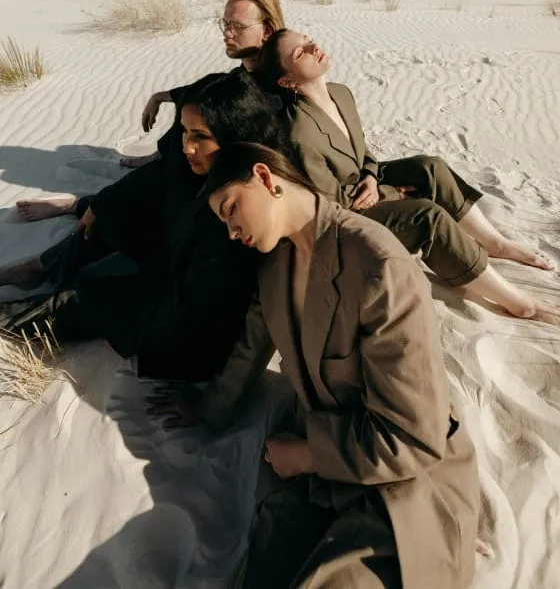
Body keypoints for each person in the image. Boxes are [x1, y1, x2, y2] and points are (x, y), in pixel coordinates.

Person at [150, 142, 480, 589]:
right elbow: (250, 350)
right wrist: (208, 408)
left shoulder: (377, 264)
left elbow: (413, 438)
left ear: (265, 178)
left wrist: (306, 455)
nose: (231, 231)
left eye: (231, 209)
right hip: (320, 483)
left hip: (405, 486)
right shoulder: (275, 269)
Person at [255, 29, 560, 325]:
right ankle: (519, 304)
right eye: (300, 52)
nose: (313, 47)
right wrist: (390, 193)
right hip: (348, 215)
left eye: (308, 40)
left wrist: (373, 177)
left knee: (430, 167)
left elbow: (362, 151)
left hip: (364, 184)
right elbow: (331, 203)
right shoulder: (298, 132)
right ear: (287, 80)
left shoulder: (340, 93)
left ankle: (495, 243)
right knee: (427, 216)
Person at [1, 76, 289, 381]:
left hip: (177, 316)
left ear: (237, 138)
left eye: (200, 136)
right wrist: (98, 206)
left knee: (87, 300)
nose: (187, 147)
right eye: (184, 131)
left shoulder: (240, 213)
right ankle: (42, 267)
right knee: (112, 213)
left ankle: (9, 318)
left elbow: (200, 316)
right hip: (172, 255)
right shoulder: (195, 163)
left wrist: (131, 305)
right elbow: (153, 178)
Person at [14, 0, 286, 222]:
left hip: (215, 179)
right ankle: (146, 165)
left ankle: (82, 205)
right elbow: (208, 88)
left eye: (237, 26)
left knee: (147, 185)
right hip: (194, 165)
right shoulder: (243, 73)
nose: (227, 33)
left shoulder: (276, 83)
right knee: (190, 110)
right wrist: (161, 96)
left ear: (267, 31)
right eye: (224, 24)